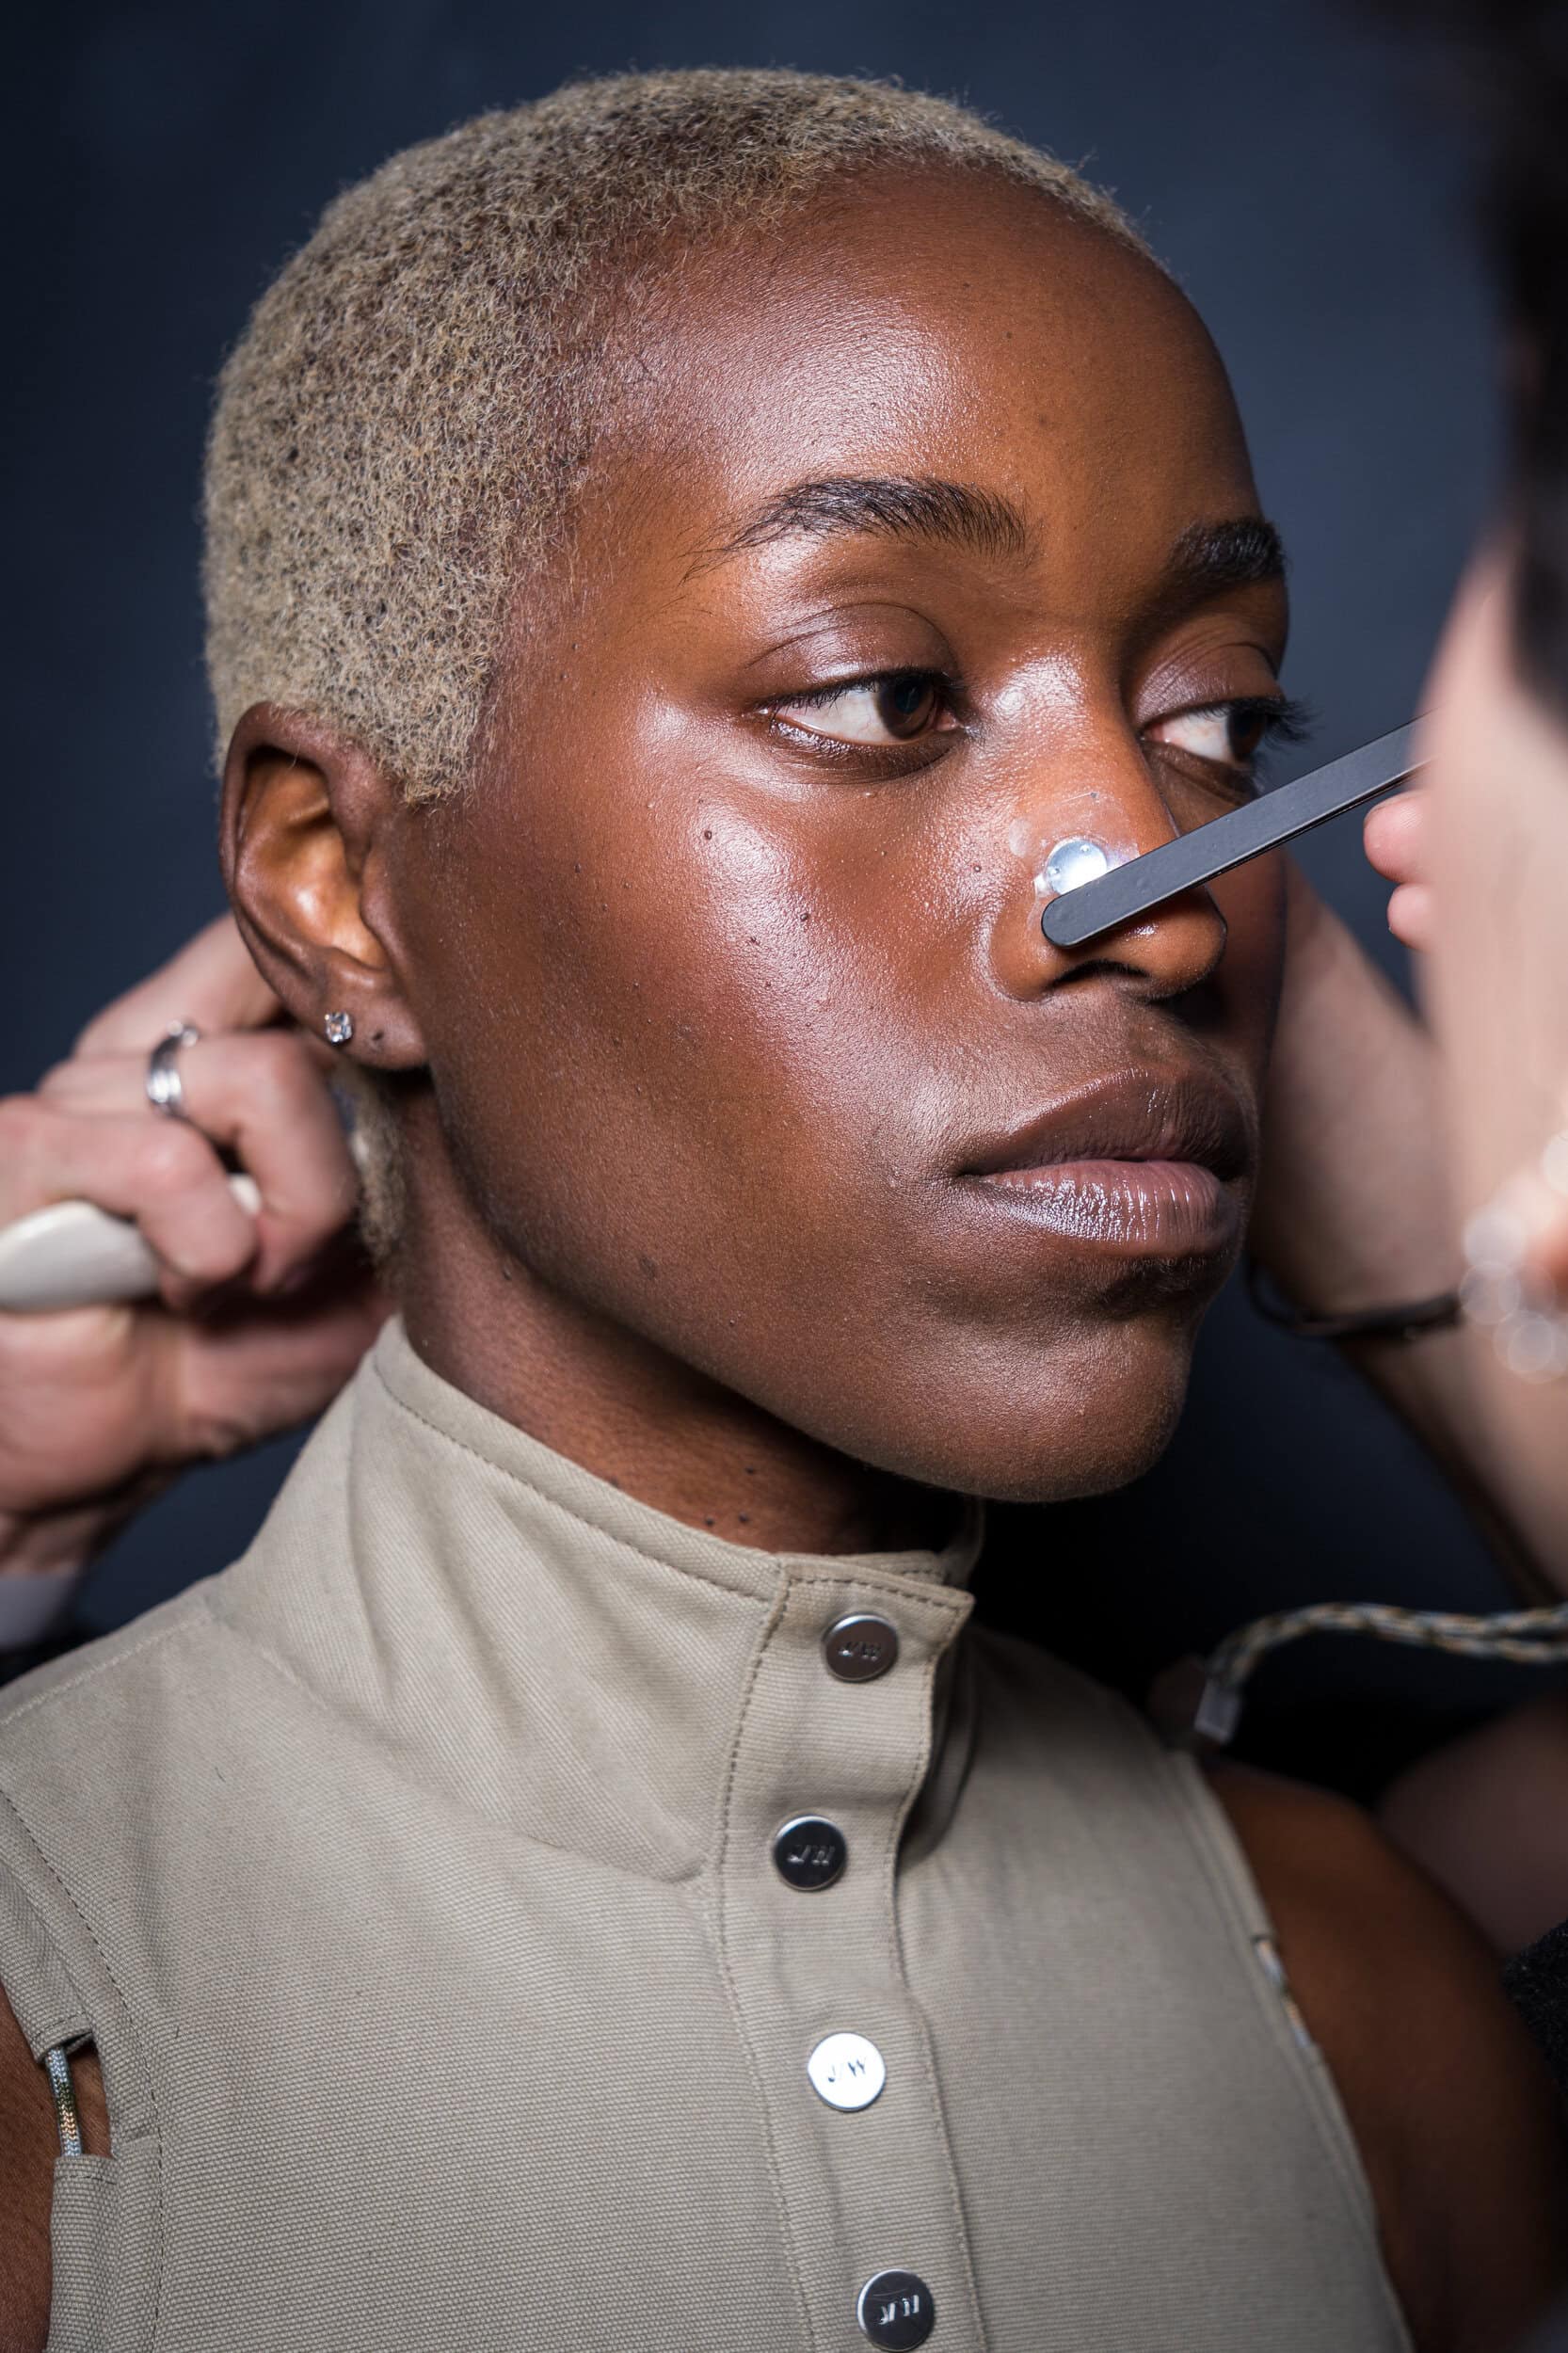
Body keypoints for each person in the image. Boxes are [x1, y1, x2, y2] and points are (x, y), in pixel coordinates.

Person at [0, 70, 1560, 2353]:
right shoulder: (51, 1990)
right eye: (882, 690)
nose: (1163, 895)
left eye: (1220, 726)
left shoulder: (1363, 1980)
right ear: (337, 884)